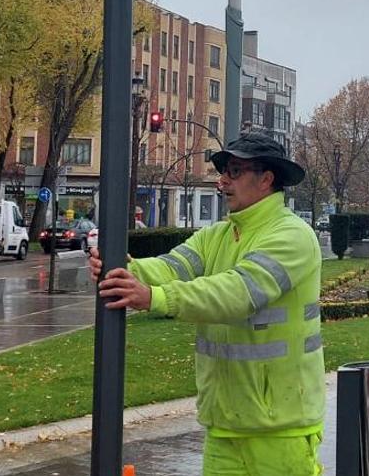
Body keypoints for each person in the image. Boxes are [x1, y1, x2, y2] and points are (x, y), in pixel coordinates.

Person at [91, 131, 324, 476]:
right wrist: (124, 269)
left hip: (280, 428)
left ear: (266, 180)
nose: (222, 181)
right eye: (223, 171)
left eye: (234, 171)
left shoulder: (292, 236)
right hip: (224, 424)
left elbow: (237, 293)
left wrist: (154, 298)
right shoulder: (217, 235)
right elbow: (172, 267)